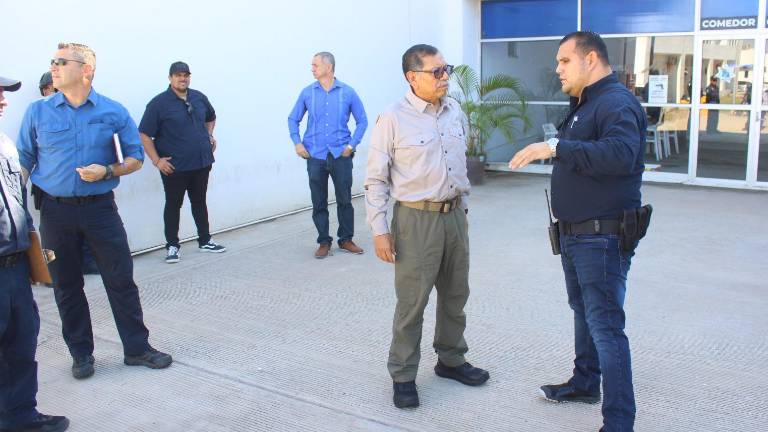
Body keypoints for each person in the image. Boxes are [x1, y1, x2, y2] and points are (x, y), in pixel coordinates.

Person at [509, 31, 646, 432]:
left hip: (601, 237)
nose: (557, 69)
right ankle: (586, 382)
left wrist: (555, 147)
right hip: (574, 234)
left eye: (564, 61)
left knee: (606, 326)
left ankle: (619, 423)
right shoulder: (585, 104)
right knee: (583, 313)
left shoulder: (616, 103)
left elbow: (621, 155)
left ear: (590, 59)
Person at [16, 42, 172, 380]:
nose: (54, 67)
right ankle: (81, 355)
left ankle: (137, 348)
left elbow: (135, 156)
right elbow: (24, 161)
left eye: (62, 62)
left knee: (120, 279)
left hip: (100, 210)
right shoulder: (37, 112)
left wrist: (107, 171)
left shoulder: (112, 111)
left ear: (86, 70)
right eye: (52, 62)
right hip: (56, 213)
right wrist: (14, 204)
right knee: (66, 286)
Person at [365, 44, 489, 409]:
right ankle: (403, 375)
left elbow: (458, 166)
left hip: (453, 217)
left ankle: (451, 360)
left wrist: (461, 211)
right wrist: (380, 230)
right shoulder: (393, 118)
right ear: (412, 77)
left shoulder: (454, 111)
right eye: (436, 72)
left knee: (455, 294)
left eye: (445, 69)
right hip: (415, 220)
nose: (445, 77)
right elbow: (376, 179)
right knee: (412, 303)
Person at [1, 75, 69, 432]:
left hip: (13, 267)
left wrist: (29, 255)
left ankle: (20, 417)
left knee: (20, 344)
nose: (4, 100)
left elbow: (18, 202)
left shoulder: (6, 143)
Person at [139, 61, 224, 263]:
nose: (182, 78)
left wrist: (209, 135)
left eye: (185, 74)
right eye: (178, 75)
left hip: (201, 162)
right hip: (174, 167)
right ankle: (172, 246)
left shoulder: (199, 97)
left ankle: (205, 240)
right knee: (173, 205)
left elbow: (211, 117)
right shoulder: (158, 104)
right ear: (170, 78)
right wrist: (157, 161)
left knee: (199, 202)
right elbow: (144, 134)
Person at [288, 51, 368, 259]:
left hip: (341, 154)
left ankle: (346, 239)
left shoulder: (347, 92)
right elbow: (292, 119)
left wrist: (351, 145)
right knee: (319, 201)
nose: (312, 68)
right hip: (315, 155)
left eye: (315, 65)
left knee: (345, 199)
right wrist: (297, 143)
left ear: (328, 67)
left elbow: (363, 120)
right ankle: (324, 241)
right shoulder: (307, 93)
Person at [38, 71, 100, 277]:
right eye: (47, 89)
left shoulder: (77, 111)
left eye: (52, 88)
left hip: (80, 184)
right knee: (52, 236)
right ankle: (50, 270)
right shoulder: (37, 114)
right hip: (49, 188)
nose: (51, 92)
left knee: (84, 230)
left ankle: (88, 262)